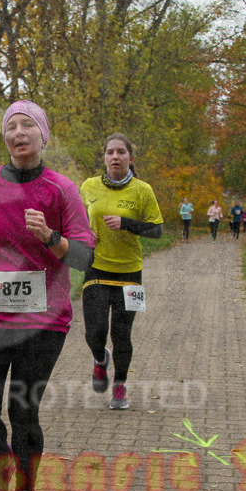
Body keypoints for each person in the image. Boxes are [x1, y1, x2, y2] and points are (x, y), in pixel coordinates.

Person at [0, 100, 94, 491]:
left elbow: (85, 257)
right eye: (11, 126)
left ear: (42, 135)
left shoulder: (61, 189)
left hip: (43, 317)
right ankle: (2, 463)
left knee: (22, 409)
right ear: (5, 137)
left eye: (27, 125)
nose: (18, 133)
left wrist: (50, 236)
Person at [80, 134, 163, 410]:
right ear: (104, 158)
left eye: (121, 152)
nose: (115, 157)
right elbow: (75, 219)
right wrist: (83, 231)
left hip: (130, 273)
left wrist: (127, 223)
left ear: (130, 158)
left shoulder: (143, 190)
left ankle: (120, 385)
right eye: (110, 152)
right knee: (95, 331)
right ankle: (100, 359)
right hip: (96, 269)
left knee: (122, 334)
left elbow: (157, 230)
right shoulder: (89, 186)